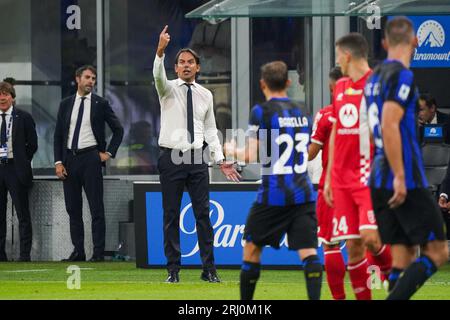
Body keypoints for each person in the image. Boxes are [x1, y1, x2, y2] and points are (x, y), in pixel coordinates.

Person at [365, 16, 449, 300]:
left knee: (401, 256)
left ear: (385, 43)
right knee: (437, 251)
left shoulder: (373, 79)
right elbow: (390, 123)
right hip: (404, 177)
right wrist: (400, 176)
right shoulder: (402, 75)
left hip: (378, 177)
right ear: (415, 41)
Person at [224, 61, 323, 300]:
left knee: (251, 248)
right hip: (304, 193)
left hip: (273, 194)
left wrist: (231, 149)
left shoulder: (261, 112)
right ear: (288, 83)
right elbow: (309, 148)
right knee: (309, 253)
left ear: (262, 84)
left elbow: (251, 155)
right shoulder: (302, 111)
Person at [153, 25, 240, 283]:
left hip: (197, 158)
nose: (186, 66)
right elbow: (157, 75)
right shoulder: (166, 89)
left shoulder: (206, 95)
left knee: (203, 214)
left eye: (191, 62)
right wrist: (160, 51)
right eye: (181, 62)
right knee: (171, 214)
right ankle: (173, 270)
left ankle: (209, 269)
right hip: (171, 157)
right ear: (176, 68)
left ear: (198, 67)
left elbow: (211, 130)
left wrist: (220, 160)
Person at [323, 33, 392, 300]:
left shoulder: (377, 85)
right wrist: (329, 178)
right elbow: (338, 131)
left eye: (339, 55)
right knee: (352, 247)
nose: (337, 60)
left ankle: (394, 276)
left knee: (371, 239)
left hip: (368, 176)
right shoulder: (340, 86)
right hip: (340, 179)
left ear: (348, 55)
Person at [54, 65, 124, 262]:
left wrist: (108, 153)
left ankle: (98, 253)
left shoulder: (100, 103)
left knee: (96, 208)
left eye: (93, 78)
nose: (91, 81)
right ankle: (79, 251)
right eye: (87, 77)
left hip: (91, 158)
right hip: (69, 159)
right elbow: (58, 135)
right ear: (78, 79)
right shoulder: (66, 104)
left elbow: (118, 130)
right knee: (72, 208)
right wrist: (58, 161)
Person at [308, 66, 346, 299]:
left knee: (330, 245)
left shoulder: (325, 115)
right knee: (361, 244)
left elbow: (311, 154)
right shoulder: (367, 112)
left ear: (332, 87)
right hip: (361, 183)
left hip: (331, 186)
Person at [0, 81, 37, 262]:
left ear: (12, 97)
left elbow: (33, 144)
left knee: (23, 214)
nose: (2, 97)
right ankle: (1, 255)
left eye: (5, 94)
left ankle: (24, 255)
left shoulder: (24, 117)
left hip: (16, 169)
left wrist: (22, 161)